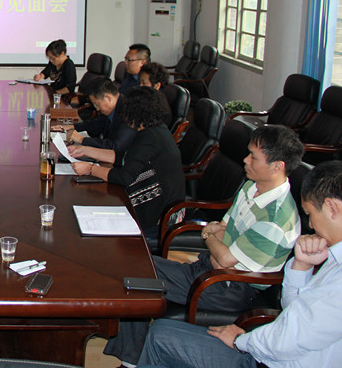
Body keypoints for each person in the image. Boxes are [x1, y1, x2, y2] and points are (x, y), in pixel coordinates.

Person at [103, 124, 305, 367]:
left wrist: (210, 237)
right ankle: (131, 356)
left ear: (277, 166)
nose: (245, 160)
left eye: (253, 157)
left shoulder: (276, 219)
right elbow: (223, 227)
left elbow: (224, 255)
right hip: (212, 269)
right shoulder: (252, 186)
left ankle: (130, 360)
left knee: (136, 274)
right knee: (133, 264)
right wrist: (218, 242)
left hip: (231, 287)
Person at [136, 160, 342, 368]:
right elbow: (293, 310)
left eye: (310, 215)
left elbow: (286, 342)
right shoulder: (335, 258)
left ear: (332, 208)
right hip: (267, 350)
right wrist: (302, 266)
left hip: (267, 360)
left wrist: (240, 341)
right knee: (159, 333)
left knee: (158, 333)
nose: (311, 225)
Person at [69, 86, 184, 233]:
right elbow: (123, 157)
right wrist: (86, 150)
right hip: (158, 204)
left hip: (160, 216)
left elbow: (124, 177)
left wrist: (90, 169)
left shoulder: (150, 137)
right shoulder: (155, 129)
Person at [64, 76, 136, 155]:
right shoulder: (113, 108)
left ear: (108, 98)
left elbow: (115, 146)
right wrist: (72, 127)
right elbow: (96, 123)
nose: (97, 109)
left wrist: (82, 140)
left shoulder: (128, 111)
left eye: (97, 105)